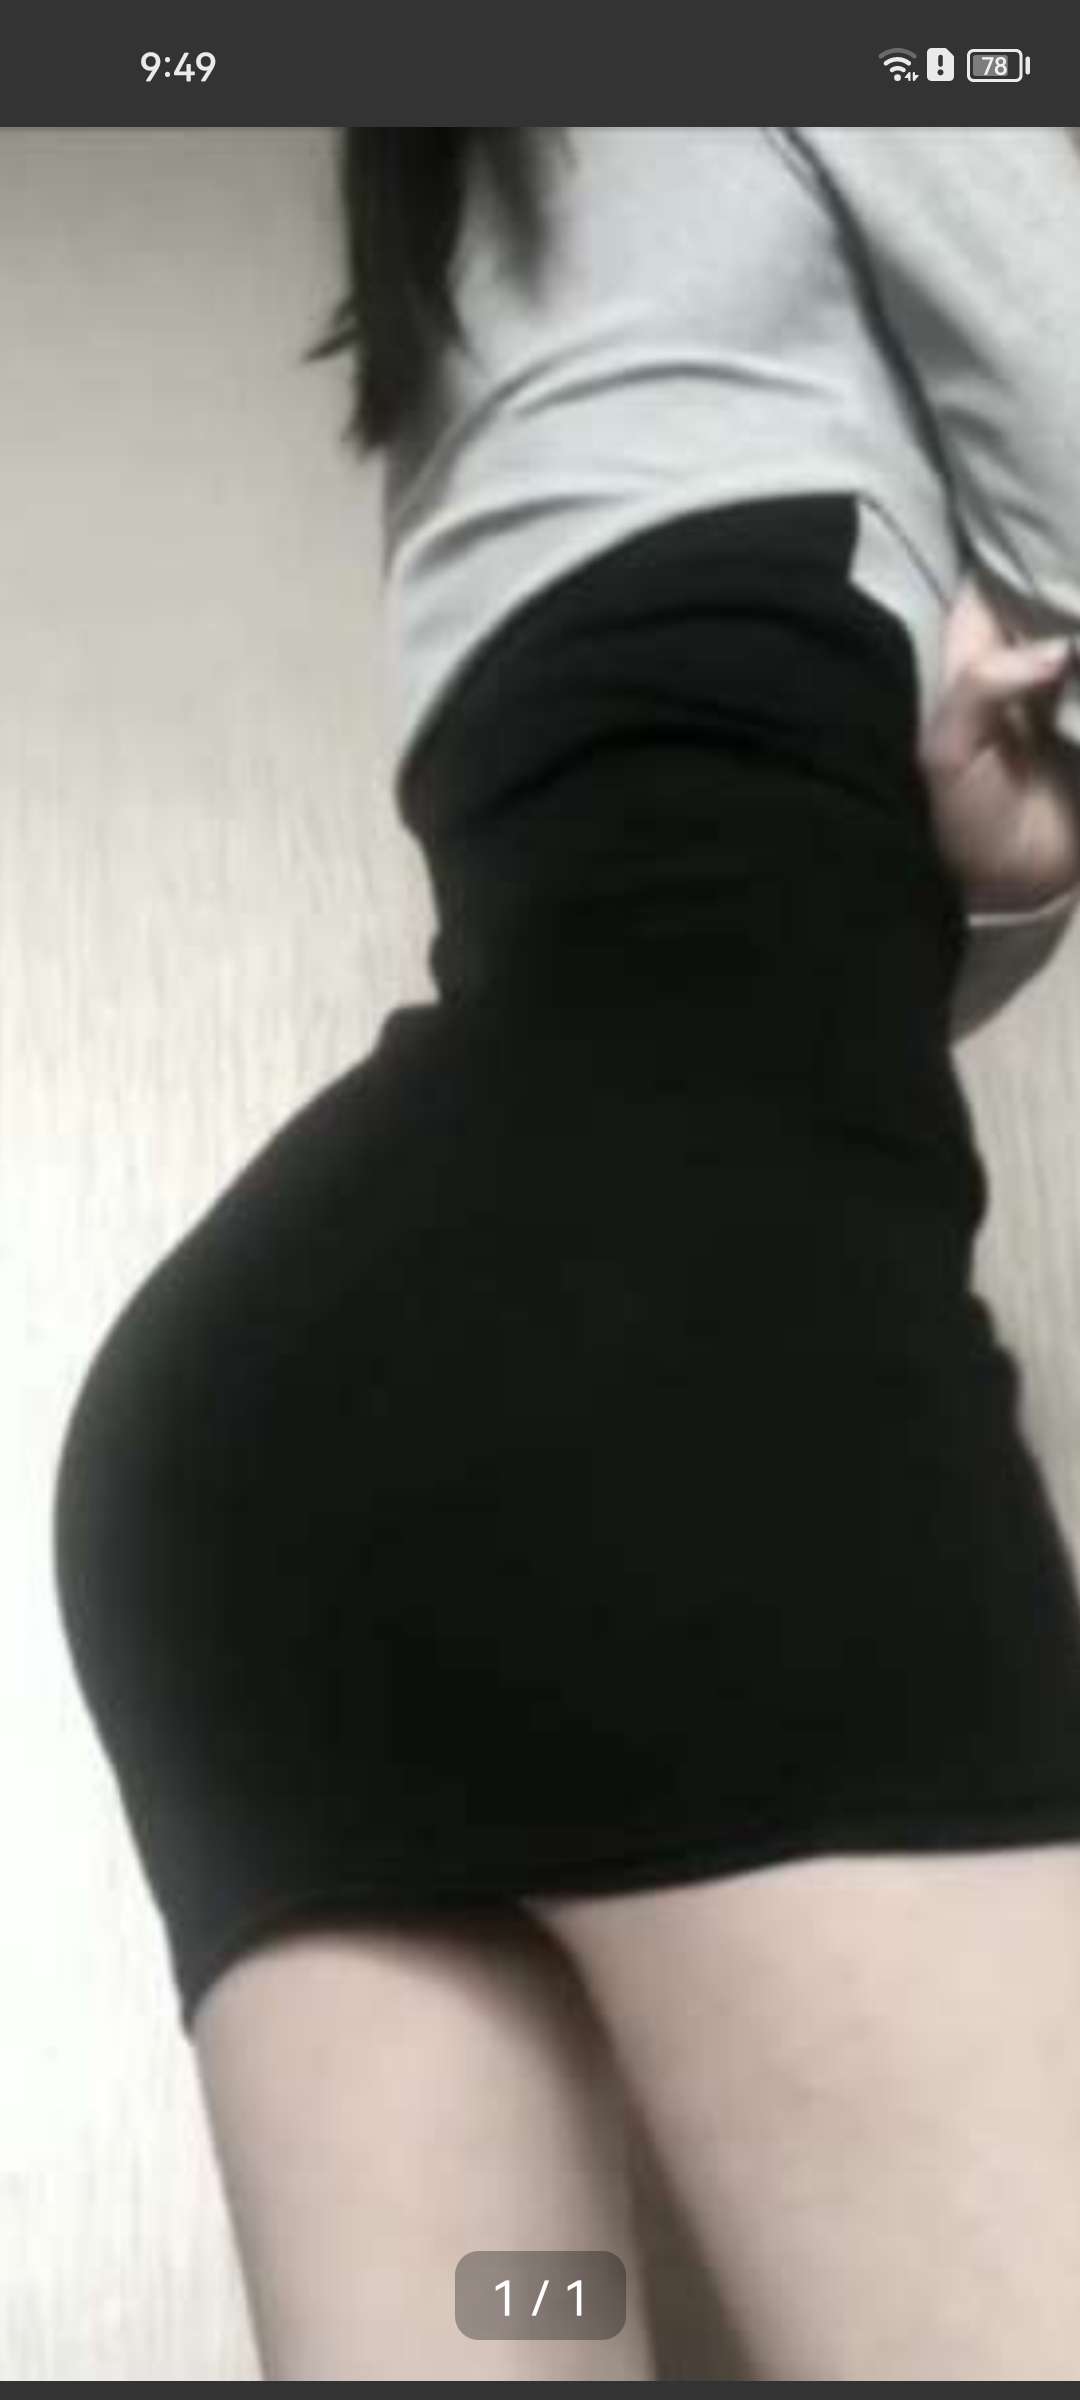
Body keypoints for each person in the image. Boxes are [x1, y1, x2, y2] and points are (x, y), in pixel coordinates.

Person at [51, 127, 1080, 2380]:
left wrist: (1001, 868)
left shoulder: (484, 177)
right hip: (664, 1368)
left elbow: (715, 904)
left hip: (267, 1446)